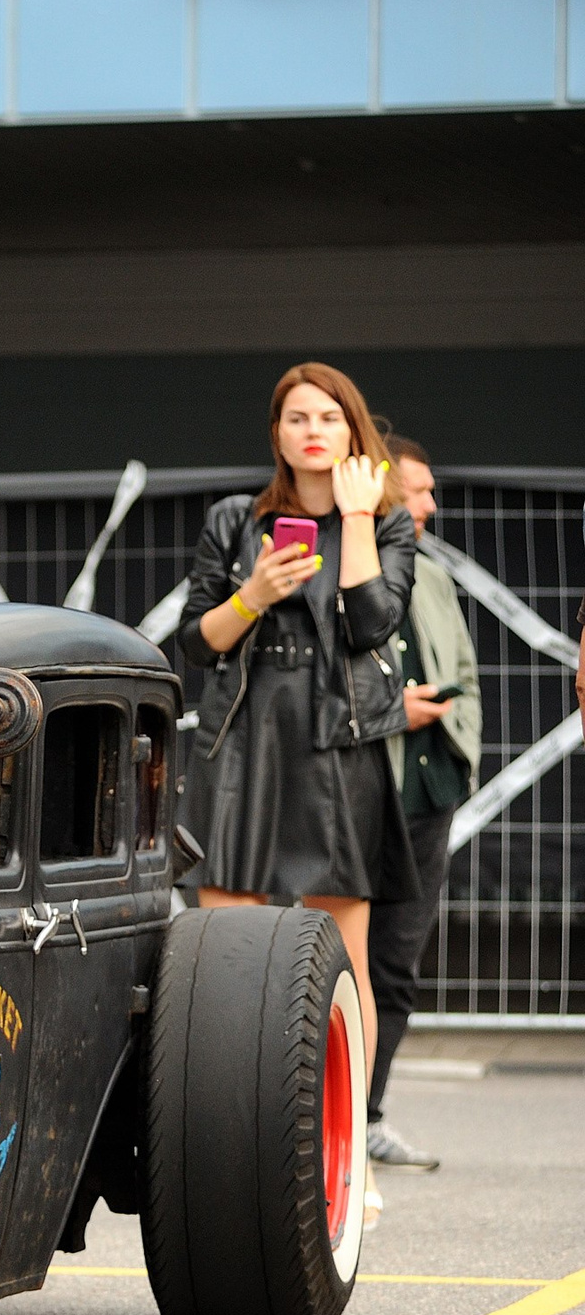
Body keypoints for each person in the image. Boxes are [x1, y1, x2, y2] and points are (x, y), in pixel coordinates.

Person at [180, 362, 415, 1084]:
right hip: (242, 735)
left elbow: (373, 625)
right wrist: (251, 594)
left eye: (329, 418)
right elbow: (196, 642)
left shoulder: (387, 520)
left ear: (353, 429)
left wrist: (355, 517)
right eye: (298, 418)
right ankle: (229, 1117)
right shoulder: (235, 519)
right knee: (226, 949)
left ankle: (351, 1131)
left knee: (343, 956)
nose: (314, 431)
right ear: (277, 435)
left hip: (336, 740)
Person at [361, 437, 480, 1171]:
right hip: (361, 795)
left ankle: (369, 1116)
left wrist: (462, 751)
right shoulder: (346, 572)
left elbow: (465, 666)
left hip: (430, 797)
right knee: (334, 962)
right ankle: (317, 1115)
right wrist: (388, 712)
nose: (431, 503)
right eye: (419, 489)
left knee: (397, 965)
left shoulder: (432, 577)